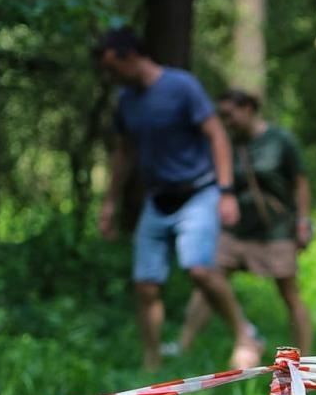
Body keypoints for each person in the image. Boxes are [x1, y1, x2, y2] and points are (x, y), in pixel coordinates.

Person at [94, 27, 261, 372]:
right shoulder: (126, 101)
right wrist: (110, 202)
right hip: (158, 200)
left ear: (131, 56)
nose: (110, 77)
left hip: (198, 192)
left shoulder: (181, 86)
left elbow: (216, 135)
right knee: (145, 285)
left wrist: (226, 190)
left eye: (113, 68)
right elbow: (124, 153)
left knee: (199, 268)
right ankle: (151, 362)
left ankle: (244, 334)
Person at [176, 89, 315, 361]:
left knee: (289, 294)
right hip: (235, 231)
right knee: (207, 280)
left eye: (230, 114)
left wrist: (303, 221)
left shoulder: (279, 140)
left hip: (275, 231)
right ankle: (183, 346)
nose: (226, 121)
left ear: (249, 109)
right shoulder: (227, 144)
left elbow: (300, 181)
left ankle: (306, 360)